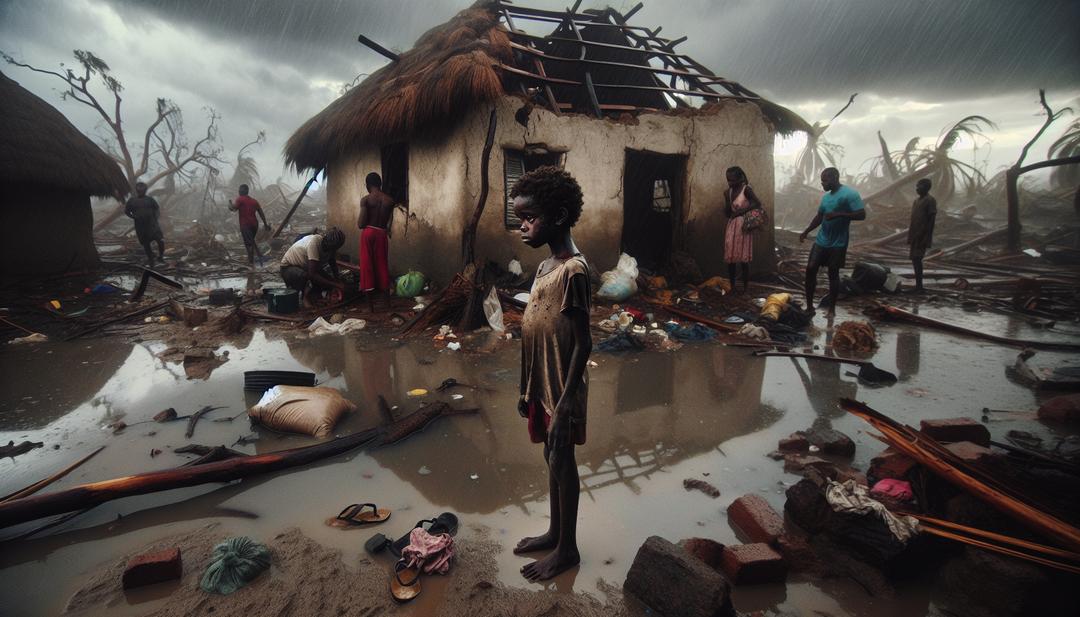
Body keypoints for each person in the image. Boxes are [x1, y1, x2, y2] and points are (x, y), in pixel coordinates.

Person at [511, 166, 592, 582]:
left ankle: (568, 549)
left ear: (558, 216)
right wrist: (527, 387)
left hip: (563, 386)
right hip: (542, 383)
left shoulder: (574, 271)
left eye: (529, 218)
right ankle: (555, 532)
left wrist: (563, 406)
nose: (521, 226)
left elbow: (584, 342)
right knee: (550, 455)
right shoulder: (544, 268)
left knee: (563, 459)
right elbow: (534, 327)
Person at [799, 167, 865, 314]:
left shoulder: (850, 194)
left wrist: (839, 214)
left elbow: (862, 214)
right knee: (810, 269)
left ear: (835, 178)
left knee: (833, 273)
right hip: (822, 240)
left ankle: (832, 308)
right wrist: (806, 231)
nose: (822, 184)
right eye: (821, 180)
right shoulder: (826, 197)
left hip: (838, 243)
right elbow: (819, 217)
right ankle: (809, 307)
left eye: (825, 180)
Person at [357, 172, 395, 309]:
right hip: (382, 234)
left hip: (368, 233)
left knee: (367, 267)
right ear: (380, 184)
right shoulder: (389, 201)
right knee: (382, 266)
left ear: (368, 185)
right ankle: (387, 304)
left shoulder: (366, 200)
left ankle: (370, 308)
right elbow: (390, 224)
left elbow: (361, 224)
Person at [279, 227, 346, 306]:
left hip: (305, 267)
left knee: (327, 281)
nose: (334, 250)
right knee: (305, 276)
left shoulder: (331, 248)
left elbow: (332, 263)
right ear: (328, 242)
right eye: (333, 248)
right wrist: (335, 284)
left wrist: (337, 280)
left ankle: (314, 295)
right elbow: (312, 274)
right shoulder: (314, 243)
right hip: (288, 268)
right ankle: (304, 298)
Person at [722, 166, 763, 293]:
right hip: (732, 226)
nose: (730, 183)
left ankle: (745, 289)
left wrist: (741, 212)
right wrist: (727, 205)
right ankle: (733, 286)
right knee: (731, 258)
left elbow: (757, 203)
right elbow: (728, 213)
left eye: (733, 180)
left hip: (743, 226)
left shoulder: (747, 190)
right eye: (728, 180)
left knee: (743, 260)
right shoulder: (727, 192)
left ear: (740, 178)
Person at [229, 184, 271, 266]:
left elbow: (233, 209)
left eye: (240, 190)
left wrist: (229, 204)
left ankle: (251, 263)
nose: (239, 191)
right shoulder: (254, 201)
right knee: (251, 241)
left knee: (249, 244)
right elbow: (261, 212)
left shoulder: (240, 199)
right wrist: (265, 224)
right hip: (254, 225)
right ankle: (257, 256)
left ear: (243, 191)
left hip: (246, 225)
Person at [124, 181, 165, 266]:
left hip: (153, 225)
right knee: (146, 244)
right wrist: (134, 217)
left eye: (143, 189)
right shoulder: (132, 201)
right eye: (139, 189)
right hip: (141, 226)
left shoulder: (150, 200)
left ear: (145, 190)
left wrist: (156, 217)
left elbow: (157, 209)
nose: (141, 191)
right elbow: (127, 211)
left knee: (160, 241)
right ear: (137, 190)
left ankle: (160, 257)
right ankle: (151, 261)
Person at [907, 178, 937, 292]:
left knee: (918, 258)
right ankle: (918, 285)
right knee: (914, 259)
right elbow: (914, 220)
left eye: (919, 186)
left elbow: (931, 221)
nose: (917, 188)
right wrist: (911, 236)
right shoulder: (916, 201)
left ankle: (919, 286)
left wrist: (926, 237)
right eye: (916, 186)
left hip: (922, 235)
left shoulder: (930, 200)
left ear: (926, 187)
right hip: (915, 235)